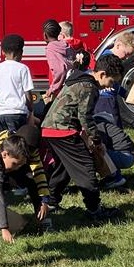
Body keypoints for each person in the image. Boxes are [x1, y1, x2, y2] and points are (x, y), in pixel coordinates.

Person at [41, 54, 124, 218]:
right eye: (111, 81)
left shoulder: (79, 80)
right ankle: (94, 210)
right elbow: (85, 117)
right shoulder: (90, 87)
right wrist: (96, 140)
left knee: (65, 167)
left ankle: (51, 201)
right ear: (101, 75)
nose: (111, 86)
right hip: (64, 130)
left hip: (50, 128)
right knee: (86, 168)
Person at [0, 34, 34, 132]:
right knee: (17, 143)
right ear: (20, 52)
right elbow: (27, 93)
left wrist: (3, 94)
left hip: (1, 114)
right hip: (17, 113)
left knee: (4, 143)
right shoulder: (22, 68)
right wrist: (31, 108)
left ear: (3, 52)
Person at [93, 32, 134, 127]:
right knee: (112, 125)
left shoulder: (111, 58)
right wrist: (124, 93)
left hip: (110, 97)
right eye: (126, 53)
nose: (127, 57)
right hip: (105, 98)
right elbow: (112, 84)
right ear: (118, 45)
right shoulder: (107, 59)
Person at [94, 114, 134, 189]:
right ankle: (113, 175)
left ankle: (116, 178)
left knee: (96, 151)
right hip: (129, 155)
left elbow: (101, 146)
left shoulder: (99, 126)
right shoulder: (109, 126)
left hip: (124, 156)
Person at [42, 19, 74, 103]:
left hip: (61, 91)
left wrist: (53, 88)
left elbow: (60, 71)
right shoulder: (67, 46)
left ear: (45, 35)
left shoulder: (50, 48)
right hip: (72, 86)